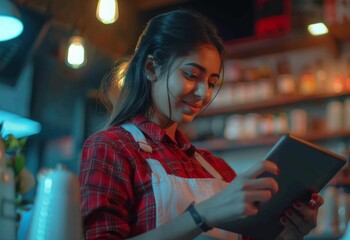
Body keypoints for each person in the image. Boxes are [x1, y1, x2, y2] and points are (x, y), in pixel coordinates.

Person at [79, 9, 324, 240]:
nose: (202, 93)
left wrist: (289, 234)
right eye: (191, 75)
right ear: (152, 68)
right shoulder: (112, 147)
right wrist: (202, 215)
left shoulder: (218, 169)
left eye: (211, 82)